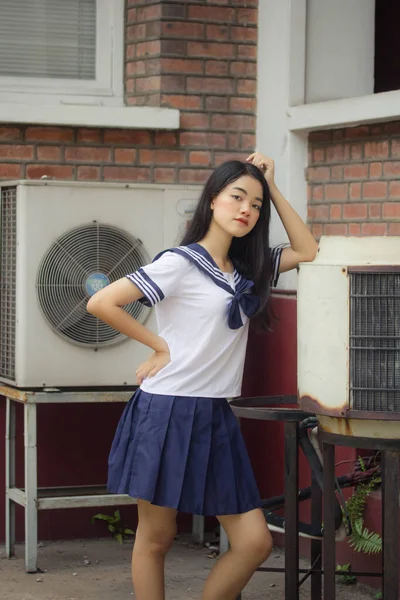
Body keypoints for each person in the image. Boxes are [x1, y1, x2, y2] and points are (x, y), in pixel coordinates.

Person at [87, 152, 318, 600]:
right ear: (212, 200)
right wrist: (159, 346)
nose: (246, 209)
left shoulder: (247, 271)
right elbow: (101, 302)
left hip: (215, 414)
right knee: (157, 537)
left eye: (255, 204)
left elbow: (308, 249)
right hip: (167, 410)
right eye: (236, 197)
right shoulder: (180, 263)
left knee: (253, 542)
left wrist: (272, 188)